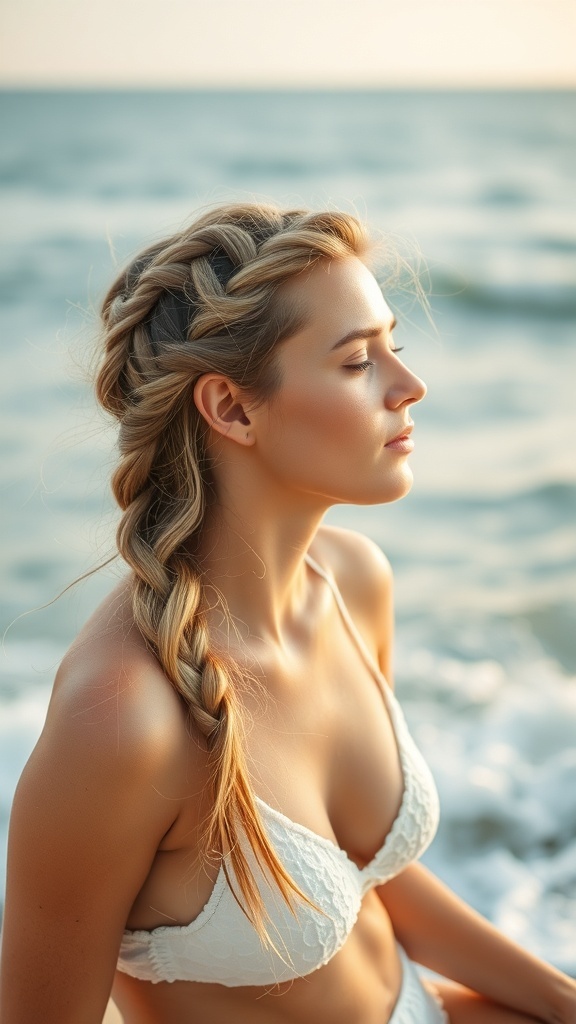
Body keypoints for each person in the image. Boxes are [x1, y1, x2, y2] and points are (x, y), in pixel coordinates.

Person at [1, 203, 574, 1024]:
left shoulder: (353, 582)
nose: (410, 387)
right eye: (356, 363)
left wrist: (558, 997)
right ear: (231, 409)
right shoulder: (124, 721)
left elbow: (366, 881)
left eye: (393, 347)